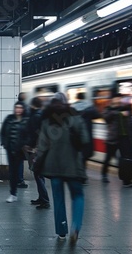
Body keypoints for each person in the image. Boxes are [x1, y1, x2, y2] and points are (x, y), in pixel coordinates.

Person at [36, 92, 89, 245]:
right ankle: (75, 227)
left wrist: (37, 164)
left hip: (54, 168)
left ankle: (61, 232)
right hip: (73, 167)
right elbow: (85, 140)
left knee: (58, 200)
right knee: (78, 196)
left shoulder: (47, 121)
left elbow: (42, 147)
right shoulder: (76, 118)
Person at [22, 96, 50, 209]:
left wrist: (30, 146)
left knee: (38, 174)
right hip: (41, 149)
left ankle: (45, 200)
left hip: (35, 150)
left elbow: (34, 134)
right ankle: (41, 197)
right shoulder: (42, 115)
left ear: (33, 105)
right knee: (39, 174)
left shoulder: (35, 116)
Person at [101, 94, 132, 187]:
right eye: (117, 98)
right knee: (108, 158)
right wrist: (118, 113)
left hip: (124, 138)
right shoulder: (108, 109)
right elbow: (105, 118)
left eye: (120, 98)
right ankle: (104, 174)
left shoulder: (124, 108)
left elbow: (130, 117)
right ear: (113, 99)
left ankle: (126, 180)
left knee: (125, 159)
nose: (118, 99)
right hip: (112, 139)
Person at [0, 102, 29, 203]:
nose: (18, 109)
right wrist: (4, 143)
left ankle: (14, 192)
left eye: (20, 108)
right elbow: (3, 132)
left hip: (20, 150)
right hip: (10, 149)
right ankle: (13, 193)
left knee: (15, 171)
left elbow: (28, 135)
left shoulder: (26, 120)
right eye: (17, 107)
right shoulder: (9, 118)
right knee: (12, 171)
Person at [71, 92, 102, 185]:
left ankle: (77, 175)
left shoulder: (72, 108)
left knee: (77, 156)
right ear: (84, 98)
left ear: (77, 98)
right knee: (84, 158)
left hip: (74, 136)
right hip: (86, 135)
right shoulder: (90, 108)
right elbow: (98, 115)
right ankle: (82, 177)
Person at [16, 92, 29, 188]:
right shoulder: (26, 108)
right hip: (23, 139)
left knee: (18, 161)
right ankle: (20, 180)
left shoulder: (16, 107)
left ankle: (17, 179)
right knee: (21, 160)